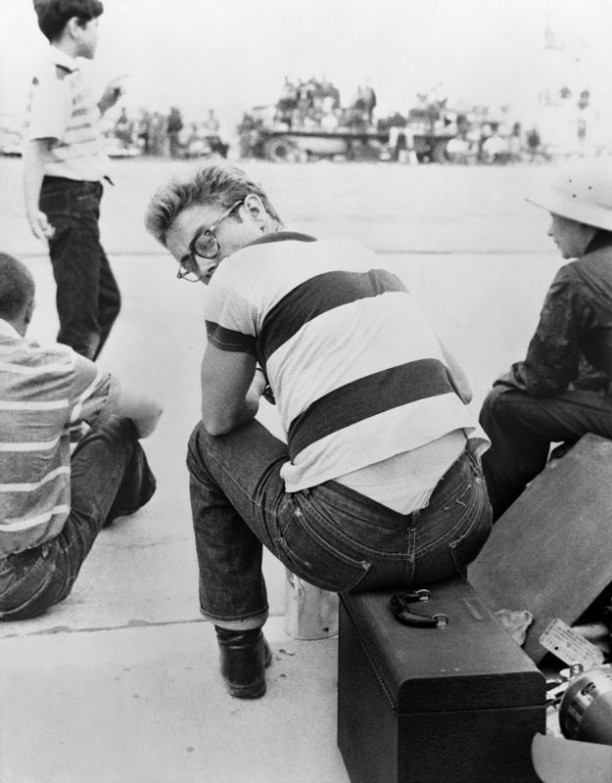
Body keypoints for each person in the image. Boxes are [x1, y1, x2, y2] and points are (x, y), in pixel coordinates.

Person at [144, 163, 492, 699]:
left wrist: (260, 377)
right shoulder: (362, 254)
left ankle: (240, 651)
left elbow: (219, 420)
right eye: (188, 263)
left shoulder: (237, 278)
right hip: (461, 529)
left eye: (206, 242)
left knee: (204, 445)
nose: (204, 266)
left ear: (254, 209)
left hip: (346, 549)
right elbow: (462, 387)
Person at [0, 252, 163, 620]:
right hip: (26, 582)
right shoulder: (55, 366)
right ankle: (126, 499)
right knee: (117, 425)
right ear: (30, 311)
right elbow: (150, 410)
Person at [479, 160, 612, 520]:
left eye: (556, 218)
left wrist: (510, 378)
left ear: (584, 222)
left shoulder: (576, 277)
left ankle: (490, 517)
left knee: (503, 403)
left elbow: (542, 377)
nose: (550, 231)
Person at [24, 0, 125, 360]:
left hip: (77, 201)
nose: (99, 34)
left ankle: (71, 382)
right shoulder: (57, 77)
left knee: (104, 301)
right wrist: (32, 208)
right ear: (75, 27)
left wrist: (104, 105)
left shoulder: (66, 74)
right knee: (82, 322)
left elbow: (66, 131)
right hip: (70, 202)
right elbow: (38, 144)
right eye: (95, 25)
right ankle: (67, 390)